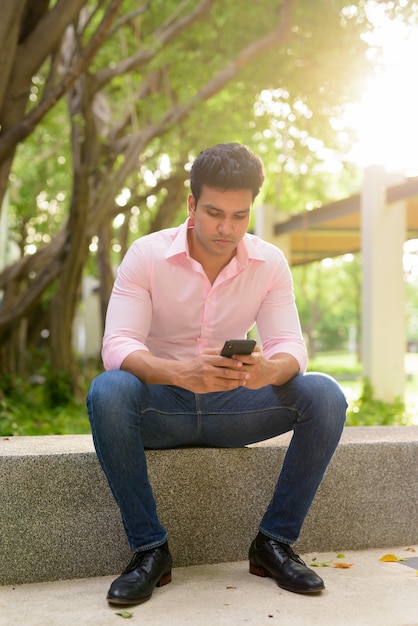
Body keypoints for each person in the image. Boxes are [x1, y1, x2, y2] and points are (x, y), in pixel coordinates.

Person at [87, 142, 347, 607]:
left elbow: (291, 348)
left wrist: (268, 369)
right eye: (213, 213)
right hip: (161, 408)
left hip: (234, 406)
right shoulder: (146, 256)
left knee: (324, 394)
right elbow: (118, 345)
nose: (226, 228)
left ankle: (273, 544)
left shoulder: (268, 264)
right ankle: (150, 551)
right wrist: (177, 373)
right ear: (191, 204)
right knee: (108, 390)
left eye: (239, 216)